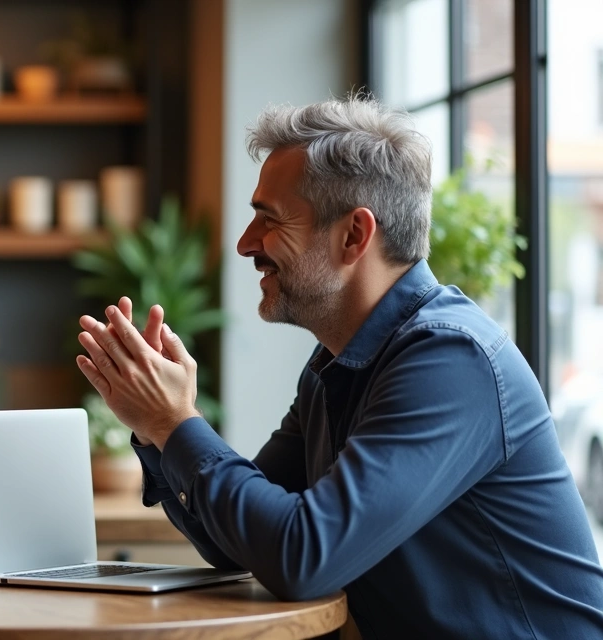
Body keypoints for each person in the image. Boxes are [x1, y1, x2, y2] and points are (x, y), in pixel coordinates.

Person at [75, 96, 603, 638]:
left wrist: (175, 423)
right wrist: (155, 426)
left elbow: (303, 558)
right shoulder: (337, 363)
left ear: (354, 235)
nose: (244, 243)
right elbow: (232, 545)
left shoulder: (451, 359)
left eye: (269, 219)